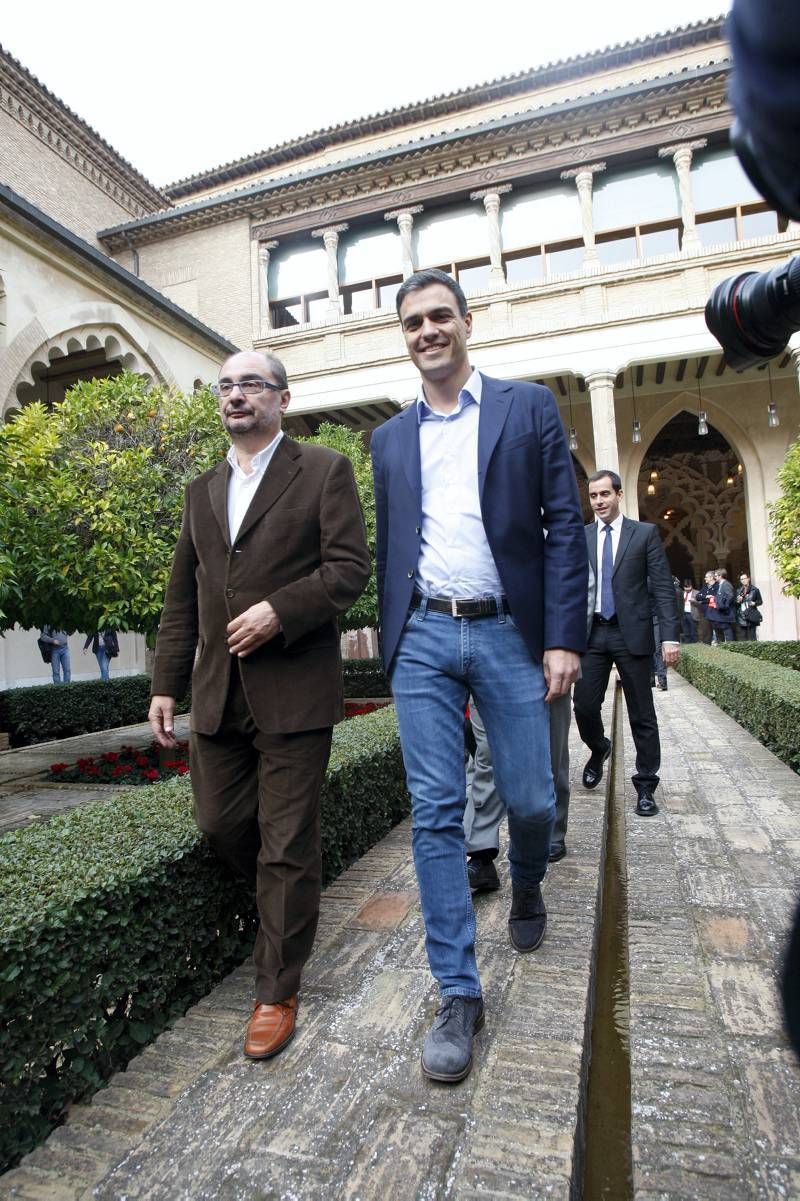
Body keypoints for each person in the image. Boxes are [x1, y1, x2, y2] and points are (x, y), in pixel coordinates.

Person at [370, 268, 587, 1083]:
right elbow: (396, 544)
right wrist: (394, 639)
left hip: (507, 632)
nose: (427, 331)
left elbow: (564, 526)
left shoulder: (526, 407)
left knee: (532, 797)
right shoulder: (389, 439)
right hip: (425, 634)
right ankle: (458, 991)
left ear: (468, 321)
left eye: (439, 316)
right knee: (434, 811)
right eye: (412, 322)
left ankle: (527, 881)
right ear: (405, 337)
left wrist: (561, 637)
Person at [148, 350, 370, 1063]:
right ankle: (290, 906)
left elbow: (347, 569)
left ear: (281, 398)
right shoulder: (200, 489)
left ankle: (275, 990)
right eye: (226, 386)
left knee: (285, 844)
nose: (235, 395)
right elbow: (182, 599)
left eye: (251, 384)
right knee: (220, 825)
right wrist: (164, 684)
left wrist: (281, 610)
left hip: (294, 690)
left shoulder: (324, 470)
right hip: (218, 694)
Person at [572, 470, 680, 818]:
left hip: (630, 633)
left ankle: (646, 785)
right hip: (591, 634)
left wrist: (669, 636)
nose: (599, 501)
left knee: (642, 714)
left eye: (605, 494)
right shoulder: (582, 536)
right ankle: (599, 746)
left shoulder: (644, 534)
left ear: (619, 494)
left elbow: (663, 587)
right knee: (584, 707)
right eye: (593, 496)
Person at [464, 691, 573, 886]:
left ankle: (553, 829)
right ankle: (482, 850)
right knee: (487, 752)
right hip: (483, 666)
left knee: (550, 749)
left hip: (544, 666)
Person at [707, 567, 736, 644]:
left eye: (716, 576)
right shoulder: (721, 584)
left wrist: (723, 606)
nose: (715, 577)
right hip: (721, 613)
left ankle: (730, 648)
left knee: (727, 632)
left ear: (720, 576)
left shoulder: (726, 584)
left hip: (726, 613)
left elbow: (730, 596)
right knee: (721, 632)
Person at [735, 572, 763, 640]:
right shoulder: (738, 590)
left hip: (751, 614)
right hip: (742, 615)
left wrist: (754, 603)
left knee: (752, 636)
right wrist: (738, 601)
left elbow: (760, 601)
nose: (743, 580)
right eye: (741, 579)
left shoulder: (755, 590)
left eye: (744, 578)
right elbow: (735, 603)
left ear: (748, 579)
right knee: (743, 637)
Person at [696, 569, 716, 645]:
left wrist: (703, 597)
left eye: (706, 577)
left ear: (711, 577)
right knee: (706, 632)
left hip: (714, 612)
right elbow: (698, 596)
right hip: (704, 613)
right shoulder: (705, 587)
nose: (705, 579)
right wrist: (707, 596)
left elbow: (714, 597)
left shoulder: (717, 586)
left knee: (715, 631)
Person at [681, 579, 699, 644]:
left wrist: (695, 601)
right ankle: (687, 645)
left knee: (694, 632)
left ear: (691, 586)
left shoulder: (697, 593)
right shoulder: (682, 593)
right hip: (683, 614)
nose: (687, 589)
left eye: (689, 587)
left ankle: (695, 645)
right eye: (686, 587)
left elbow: (701, 603)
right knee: (686, 632)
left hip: (692, 614)